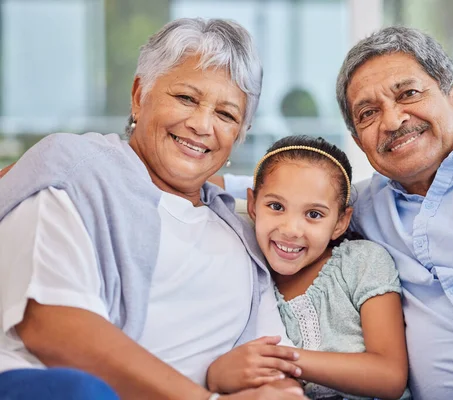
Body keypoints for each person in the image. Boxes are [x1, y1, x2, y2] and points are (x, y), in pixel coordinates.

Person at [218, 26, 453, 399]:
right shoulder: (363, 204)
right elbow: (252, 188)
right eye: (368, 113)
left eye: (409, 94)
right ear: (358, 142)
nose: (393, 120)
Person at [0, 18, 307, 400]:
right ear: (139, 95)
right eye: (186, 98)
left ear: (239, 135)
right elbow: (53, 328)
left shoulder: (246, 227)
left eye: (226, 115)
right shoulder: (74, 175)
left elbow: (268, 363)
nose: (201, 125)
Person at [244, 135, 408, 399]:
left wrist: (277, 359)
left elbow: (390, 377)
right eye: (276, 206)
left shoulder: (362, 263)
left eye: (314, 214)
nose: (291, 230)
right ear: (252, 205)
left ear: (341, 222)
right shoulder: (248, 274)